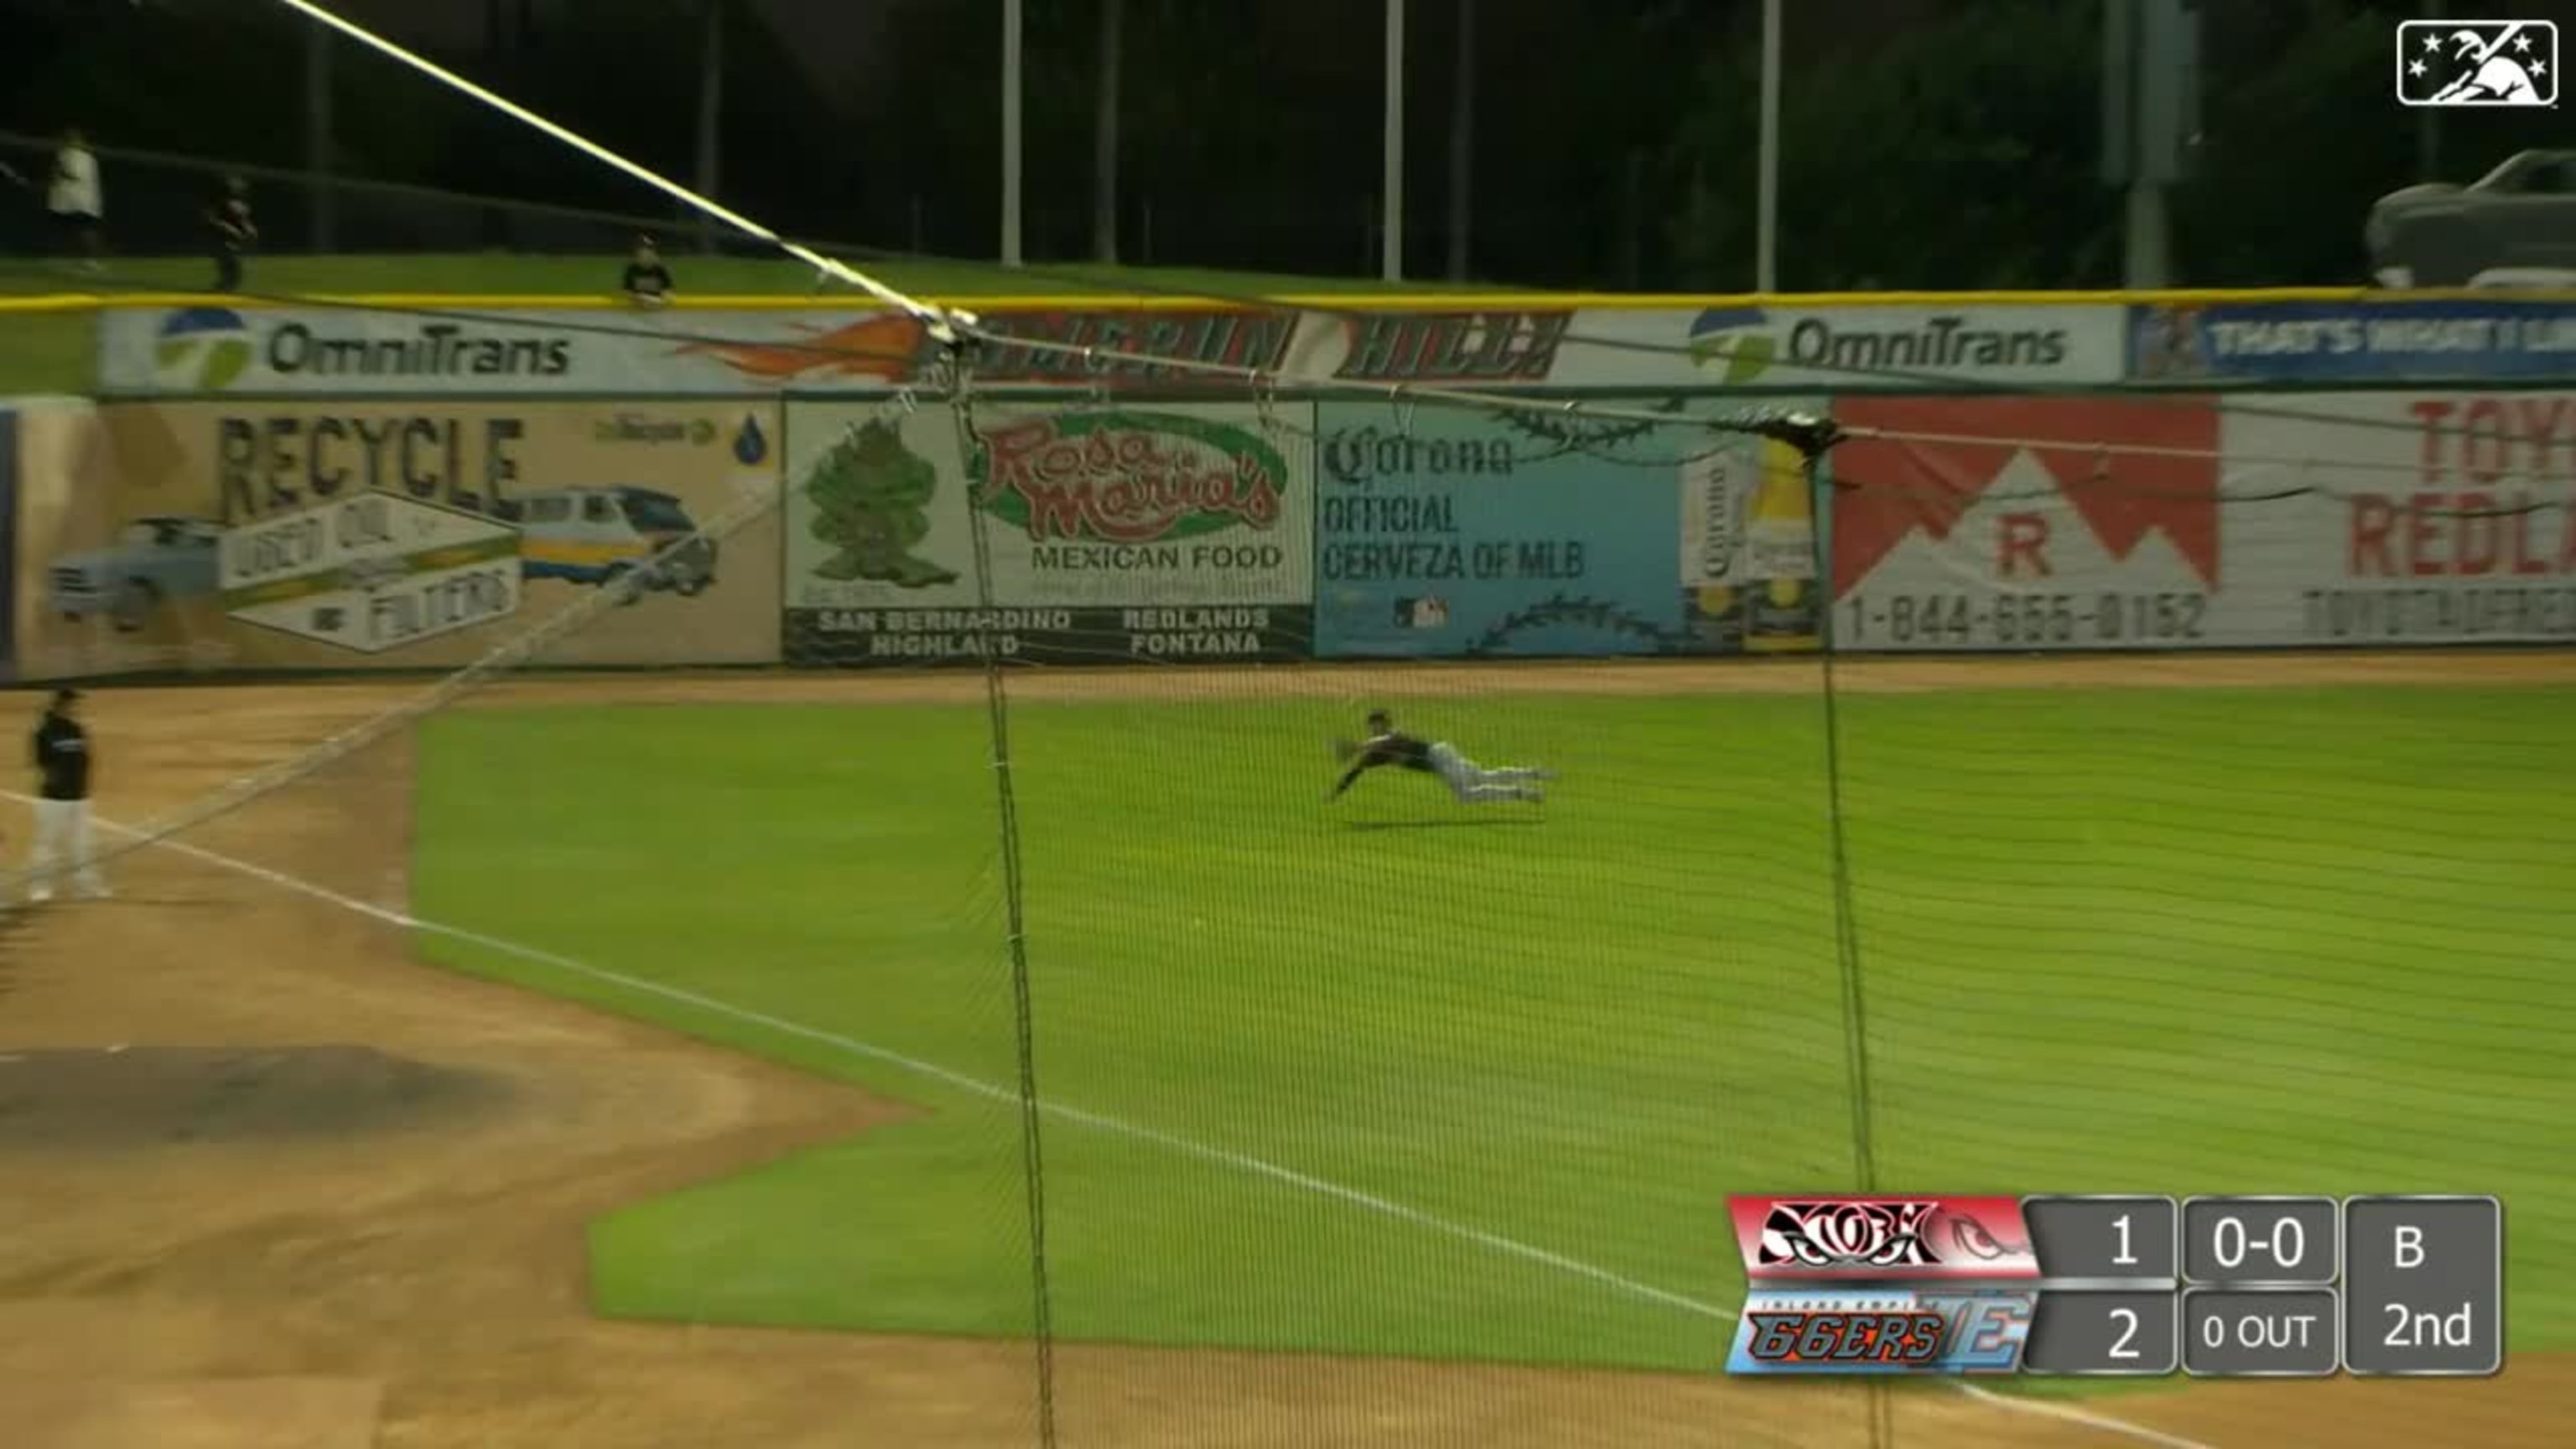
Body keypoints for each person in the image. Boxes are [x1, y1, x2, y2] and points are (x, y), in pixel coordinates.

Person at [1329, 709, 1553, 805]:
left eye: (1376, 724)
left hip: (1438, 756)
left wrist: (1357, 745)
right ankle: (1533, 774)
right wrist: (1337, 792)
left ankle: (1522, 792)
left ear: (1383, 723)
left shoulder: (1391, 736)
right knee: (1482, 776)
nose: (1374, 727)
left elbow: (1385, 741)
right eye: (1373, 725)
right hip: (1443, 754)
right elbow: (1355, 771)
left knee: (1466, 795)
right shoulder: (1375, 753)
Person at [28, 688, 108, 903]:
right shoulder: (44, 731)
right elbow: (41, 763)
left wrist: (82, 787)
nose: (75, 707)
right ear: (60, 704)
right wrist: (60, 784)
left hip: (80, 796)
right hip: (53, 798)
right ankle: (41, 887)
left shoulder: (77, 728)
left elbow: (86, 759)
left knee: (83, 843)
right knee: (47, 843)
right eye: (72, 703)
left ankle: (86, 885)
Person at [46, 128, 103, 272]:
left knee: (84, 231)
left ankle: (89, 261)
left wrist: (58, 172)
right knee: (76, 231)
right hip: (78, 201)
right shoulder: (84, 157)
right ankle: (84, 261)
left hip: (77, 201)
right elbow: (59, 176)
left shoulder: (75, 156)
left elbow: (71, 175)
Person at [205, 174, 256, 293]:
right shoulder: (220, 203)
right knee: (230, 268)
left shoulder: (240, 204)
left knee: (234, 273)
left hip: (233, 241)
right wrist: (228, 228)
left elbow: (243, 220)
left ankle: (222, 290)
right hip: (221, 240)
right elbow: (212, 218)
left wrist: (250, 229)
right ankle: (221, 291)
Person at [622, 234, 674, 307]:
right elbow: (627, 293)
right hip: (638, 308)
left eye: (649, 250)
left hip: (657, 308)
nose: (646, 253)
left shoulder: (660, 269)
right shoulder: (632, 269)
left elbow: (668, 294)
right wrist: (641, 298)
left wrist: (652, 300)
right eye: (642, 250)